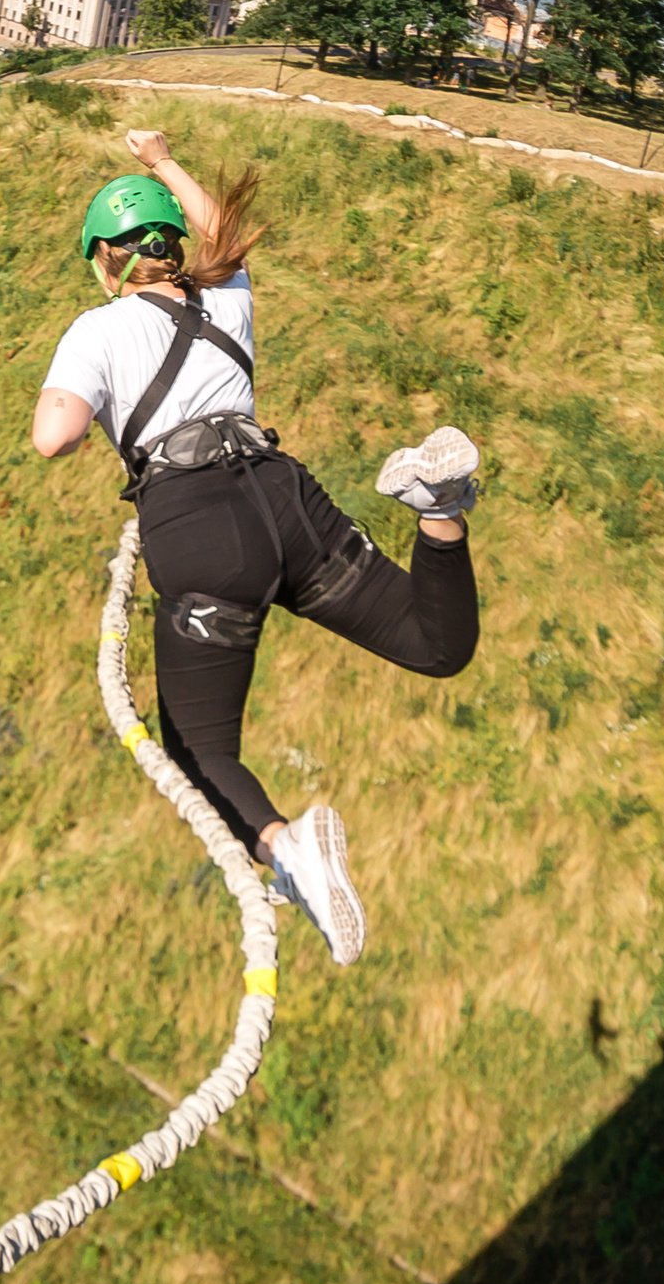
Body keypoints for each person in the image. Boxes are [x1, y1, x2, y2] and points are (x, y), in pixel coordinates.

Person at [32, 129, 483, 967]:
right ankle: (440, 507)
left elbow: (53, 435)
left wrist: (84, 390)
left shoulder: (95, 330)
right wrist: (164, 159)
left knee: (199, 751)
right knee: (437, 645)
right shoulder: (226, 293)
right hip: (285, 496)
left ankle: (287, 845)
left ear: (104, 260)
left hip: (196, 528)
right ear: (173, 243)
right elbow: (221, 235)